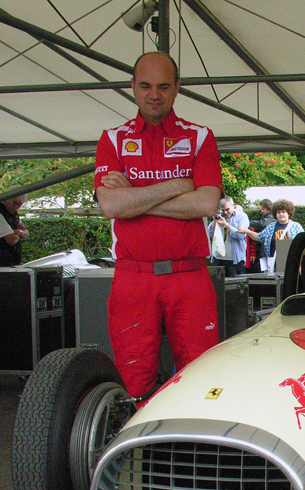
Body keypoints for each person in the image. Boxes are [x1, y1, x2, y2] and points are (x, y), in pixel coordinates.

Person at [95, 51, 222, 403]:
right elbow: (111, 205)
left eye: (164, 86)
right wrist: (177, 185)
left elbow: (206, 203)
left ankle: (196, 453)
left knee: (201, 376)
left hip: (189, 274)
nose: (155, 94)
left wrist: (136, 198)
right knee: (133, 381)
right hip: (134, 278)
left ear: (178, 88)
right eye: (146, 85)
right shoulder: (113, 139)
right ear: (132, 87)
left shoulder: (199, 137)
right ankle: (137, 456)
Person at [241, 199, 304, 274]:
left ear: (288, 213)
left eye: (283, 212)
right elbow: (258, 237)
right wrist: (246, 231)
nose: (281, 214)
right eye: (278, 212)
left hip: (291, 262)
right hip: (274, 264)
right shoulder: (271, 227)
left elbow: (303, 243)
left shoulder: (296, 227)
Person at [207, 196, 249, 276]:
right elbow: (209, 233)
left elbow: (240, 236)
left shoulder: (241, 216)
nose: (225, 213)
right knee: (218, 286)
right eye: (223, 210)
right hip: (219, 258)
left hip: (235, 260)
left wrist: (226, 225)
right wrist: (215, 221)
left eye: (227, 209)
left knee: (234, 286)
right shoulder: (220, 216)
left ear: (233, 205)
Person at [0, 191, 29, 267]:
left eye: (19, 205)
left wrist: (19, 232)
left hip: (14, 257)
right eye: (14, 203)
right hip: (1, 259)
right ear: (7, 199)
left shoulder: (13, 213)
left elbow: (26, 233)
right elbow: (11, 240)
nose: (16, 207)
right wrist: (19, 233)